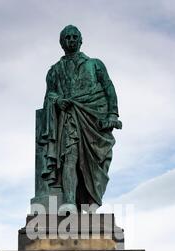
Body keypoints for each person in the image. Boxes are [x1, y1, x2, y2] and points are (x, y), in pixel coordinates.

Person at [39, 25, 122, 214]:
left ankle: (91, 200)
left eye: (74, 37)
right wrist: (58, 100)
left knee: (98, 161)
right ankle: (69, 202)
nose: (71, 40)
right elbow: (49, 95)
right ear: (61, 43)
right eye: (67, 38)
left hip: (94, 118)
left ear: (81, 40)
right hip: (69, 116)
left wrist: (112, 115)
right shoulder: (54, 70)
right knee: (70, 157)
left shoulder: (95, 64)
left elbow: (109, 89)